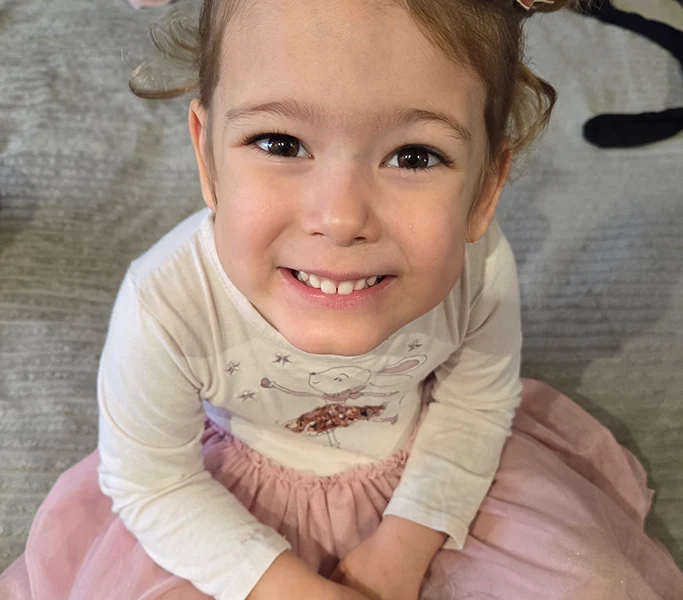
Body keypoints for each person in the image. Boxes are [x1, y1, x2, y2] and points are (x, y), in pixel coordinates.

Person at [1, 0, 682, 598]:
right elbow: (154, 481)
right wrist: (280, 586)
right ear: (208, 158)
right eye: (280, 143)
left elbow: (475, 403)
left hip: (434, 467)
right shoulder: (165, 304)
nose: (339, 218)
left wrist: (404, 546)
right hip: (217, 509)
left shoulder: (479, 268)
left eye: (414, 156)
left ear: (485, 188)